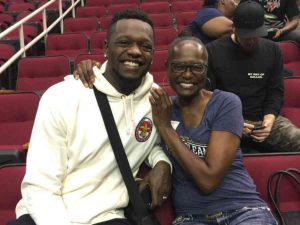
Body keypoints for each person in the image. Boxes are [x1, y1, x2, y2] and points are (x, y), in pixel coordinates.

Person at [75, 36, 277, 225]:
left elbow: (208, 180)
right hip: (190, 218)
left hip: (242, 211)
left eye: (196, 67)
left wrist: (165, 127)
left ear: (207, 69)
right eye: (179, 67)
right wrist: (95, 69)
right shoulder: (157, 107)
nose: (187, 75)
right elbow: (132, 134)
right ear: (167, 67)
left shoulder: (225, 102)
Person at [8, 10, 172, 225]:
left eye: (145, 46)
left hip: (108, 216)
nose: (135, 51)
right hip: (44, 215)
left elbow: (151, 141)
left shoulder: (155, 99)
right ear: (106, 48)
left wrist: (163, 163)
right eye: (124, 43)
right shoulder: (62, 97)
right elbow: (41, 185)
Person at [206, 0, 300, 153]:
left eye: (255, 36)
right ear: (234, 28)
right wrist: (234, 122)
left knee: (296, 138)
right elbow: (208, 97)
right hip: (227, 121)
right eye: (246, 36)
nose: (251, 41)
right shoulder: (213, 51)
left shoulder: (272, 50)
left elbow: (275, 91)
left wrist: (269, 118)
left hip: (263, 119)